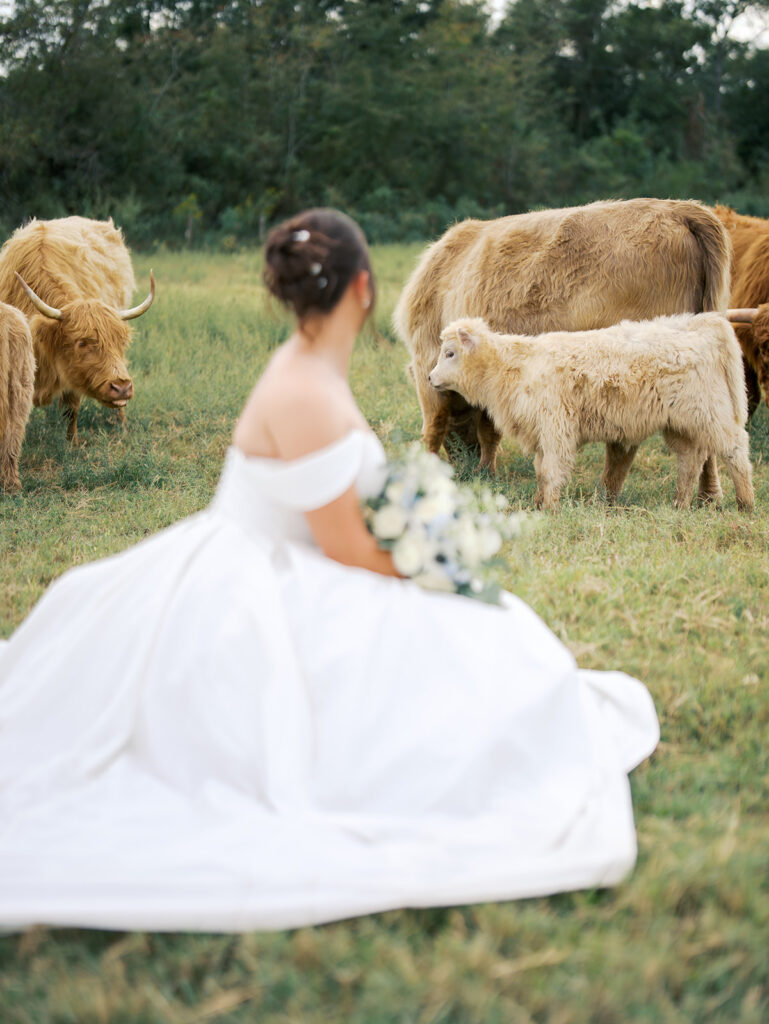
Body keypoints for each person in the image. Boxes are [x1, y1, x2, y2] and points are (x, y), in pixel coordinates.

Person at [0, 209, 658, 932]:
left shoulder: (306, 367)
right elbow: (347, 549)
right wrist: (431, 557)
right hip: (272, 577)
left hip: (286, 555)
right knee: (470, 643)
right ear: (363, 290)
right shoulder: (307, 391)